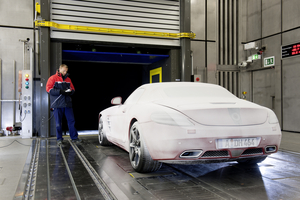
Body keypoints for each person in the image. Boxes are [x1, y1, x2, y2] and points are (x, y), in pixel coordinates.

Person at [46, 64, 81, 145]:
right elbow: (48, 89)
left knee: (71, 121)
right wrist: (60, 91)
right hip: (57, 104)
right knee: (58, 123)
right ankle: (59, 139)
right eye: (64, 71)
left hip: (67, 104)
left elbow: (73, 89)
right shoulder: (53, 78)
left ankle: (74, 138)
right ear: (60, 69)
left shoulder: (68, 79)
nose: (65, 72)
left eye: (66, 71)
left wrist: (70, 91)